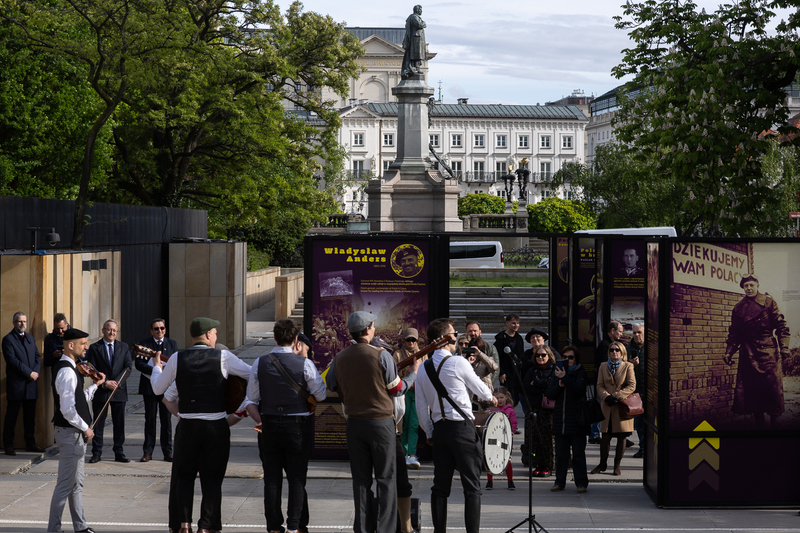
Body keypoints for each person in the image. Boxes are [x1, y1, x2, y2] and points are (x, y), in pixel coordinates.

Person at [150, 317, 252, 533]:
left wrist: (157, 367)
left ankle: (184, 524)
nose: (216, 336)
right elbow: (252, 374)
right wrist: (243, 405)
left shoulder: (177, 358)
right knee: (212, 479)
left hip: (187, 427)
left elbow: (159, 390)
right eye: (214, 333)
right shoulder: (223, 356)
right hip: (215, 426)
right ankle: (206, 526)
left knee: (184, 477)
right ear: (208, 335)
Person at [326, 311, 419, 533]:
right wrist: (413, 374)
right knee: (386, 480)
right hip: (381, 424)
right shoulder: (381, 355)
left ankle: (363, 529)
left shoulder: (339, 358)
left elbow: (331, 385)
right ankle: (385, 529)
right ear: (368, 329)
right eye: (373, 326)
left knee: (360, 481)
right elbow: (396, 389)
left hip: (354, 424)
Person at [246, 318, 327, 533]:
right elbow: (321, 395)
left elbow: (250, 401)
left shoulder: (259, 362)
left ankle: (274, 527)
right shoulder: (305, 364)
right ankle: (294, 527)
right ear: (295, 340)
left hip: (269, 423)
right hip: (297, 425)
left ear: (274, 337)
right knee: (297, 478)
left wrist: (260, 421)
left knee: (271, 479)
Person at [415, 318, 496, 533]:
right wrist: (491, 397)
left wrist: (430, 433)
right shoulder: (458, 362)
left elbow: (421, 408)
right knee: (472, 488)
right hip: (461, 429)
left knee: (440, 488)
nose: (457, 336)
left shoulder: (423, 367)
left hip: (440, 430)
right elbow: (484, 392)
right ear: (446, 338)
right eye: (454, 333)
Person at [47, 327, 106, 533]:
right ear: (70, 345)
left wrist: (96, 385)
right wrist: (86, 429)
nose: (86, 347)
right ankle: (54, 529)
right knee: (64, 485)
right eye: (83, 343)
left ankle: (80, 527)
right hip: (71, 434)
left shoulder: (73, 369)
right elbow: (68, 410)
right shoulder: (65, 371)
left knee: (76, 485)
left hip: (75, 435)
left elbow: (80, 400)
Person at [724, 274, 790, 429]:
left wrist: (784, 347)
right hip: (748, 352)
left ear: (757, 285)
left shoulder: (768, 302)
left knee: (772, 386)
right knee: (752, 388)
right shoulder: (738, 308)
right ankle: (759, 422)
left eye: (751, 285)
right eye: (746, 286)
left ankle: (775, 421)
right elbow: (734, 333)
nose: (749, 288)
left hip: (768, 350)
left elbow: (781, 326)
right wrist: (729, 352)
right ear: (743, 288)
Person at [85, 319, 132, 463]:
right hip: (101, 391)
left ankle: (119, 452)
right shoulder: (94, 347)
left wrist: (116, 383)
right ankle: (97, 452)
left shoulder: (123, 347)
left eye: (114, 330)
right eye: (109, 329)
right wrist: (105, 383)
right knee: (99, 423)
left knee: (119, 424)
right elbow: (91, 368)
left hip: (119, 391)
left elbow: (128, 367)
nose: (112, 333)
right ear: (103, 330)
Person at [545, 345, 589, 493]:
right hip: (560, 420)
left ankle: (581, 483)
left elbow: (578, 391)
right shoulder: (557, 373)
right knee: (561, 454)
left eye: (570, 357)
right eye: (564, 357)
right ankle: (559, 482)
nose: (567, 360)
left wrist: (565, 379)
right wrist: (559, 384)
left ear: (575, 359)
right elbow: (550, 394)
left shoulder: (580, 372)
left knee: (578, 454)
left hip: (576, 420)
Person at [135, 318, 178, 462]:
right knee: (150, 419)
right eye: (156, 328)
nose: (159, 331)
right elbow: (139, 364)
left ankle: (168, 451)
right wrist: (156, 369)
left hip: (167, 388)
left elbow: (174, 364)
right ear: (151, 330)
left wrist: (164, 371)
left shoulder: (172, 344)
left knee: (166, 420)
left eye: (162, 328)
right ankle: (148, 452)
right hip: (149, 387)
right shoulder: (144, 344)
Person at [591, 341, 635, 476]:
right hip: (607, 405)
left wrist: (616, 396)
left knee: (622, 436)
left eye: (617, 350)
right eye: (612, 350)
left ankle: (617, 465)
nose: (614, 352)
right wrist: (606, 397)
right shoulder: (603, 366)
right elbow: (599, 385)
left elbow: (631, 385)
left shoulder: (628, 366)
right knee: (605, 436)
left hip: (621, 405)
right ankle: (602, 463)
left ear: (622, 353)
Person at [2, 311, 44, 455]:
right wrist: (29, 373)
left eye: (24, 321)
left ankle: (30, 443)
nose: (22, 324)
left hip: (31, 384)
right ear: (14, 323)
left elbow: (37, 357)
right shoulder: (8, 339)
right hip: (17, 385)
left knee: (30, 417)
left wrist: (36, 372)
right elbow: (12, 361)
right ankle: (8, 444)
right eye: (19, 321)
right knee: (12, 416)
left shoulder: (30, 338)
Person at [392, 327, 426, 469]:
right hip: (403, 393)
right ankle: (404, 454)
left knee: (413, 424)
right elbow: (393, 374)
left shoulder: (423, 355)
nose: (411, 342)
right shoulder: (398, 355)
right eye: (408, 339)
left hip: (418, 393)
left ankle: (411, 454)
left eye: (413, 339)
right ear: (404, 340)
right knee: (403, 424)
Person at [522, 345, 556, 477]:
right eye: (538, 355)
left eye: (543, 355)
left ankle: (548, 465)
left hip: (549, 411)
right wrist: (540, 386)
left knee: (547, 439)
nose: (540, 357)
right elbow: (526, 387)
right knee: (535, 439)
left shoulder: (553, 369)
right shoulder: (531, 370)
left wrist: (536, 383)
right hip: (534, 409)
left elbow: (551, 386)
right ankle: (538, 465)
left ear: (549, 356)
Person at [590, 320, 623, 444]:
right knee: (600, 406)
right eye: (619, 331)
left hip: (609, 382)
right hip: (604, 383)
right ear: (612, 331)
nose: (621, 334)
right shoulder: (605, 345)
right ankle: (594, 433)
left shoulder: (610, 344)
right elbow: (604, 365)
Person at [485, 387, 517, 491]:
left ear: (506, 397)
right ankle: (489, 481)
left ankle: (510, 481)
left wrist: (511, 433)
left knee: (507, 459)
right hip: (492, 438)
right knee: (490, 458)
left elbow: (513, 424)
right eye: (497, 398)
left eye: (502, 397)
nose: (500, 400)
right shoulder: (490, 410)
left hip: (505, 438)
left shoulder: (510, 410)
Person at [494, 314, 525, 406]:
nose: (516, 325)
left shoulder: (519, 338)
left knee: (516, 396)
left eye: (518, 323)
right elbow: (497, 358)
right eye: (513, 323)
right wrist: (501, 373)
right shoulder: (500, 339)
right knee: (507, 395)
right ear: (507, 323)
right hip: (506, 373)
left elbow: (521, 355)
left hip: (517, 373)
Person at [627, 323, 645, 458]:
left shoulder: (652, 348)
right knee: (639, 422)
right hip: (636, 391)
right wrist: (631, 366)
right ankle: (643, 447)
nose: (637, 335)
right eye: (634, 333)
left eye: (639, 332)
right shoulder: (628, 349)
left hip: (650, 390)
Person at [401, 5, 426, 79]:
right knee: (416, 54)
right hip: (416, 39)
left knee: (418, 54)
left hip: (417, 38)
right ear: (417, 10)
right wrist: (424, 23)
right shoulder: (414, 17)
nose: (421, 11)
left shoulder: (416, 17)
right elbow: (419, 25)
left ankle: (417, 69)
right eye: (420, 9)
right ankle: (415, 68)